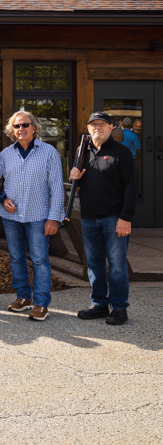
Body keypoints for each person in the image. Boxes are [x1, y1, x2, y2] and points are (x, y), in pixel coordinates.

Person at [0, 110, 64, 321]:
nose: (21, 129)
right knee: (16, 258)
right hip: (11, 217)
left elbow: (57, 187)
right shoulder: (5, 155)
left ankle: (40, 303)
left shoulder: (49, 153)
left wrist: (54, 217)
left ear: (34, 127)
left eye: (25, 125)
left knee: (40, 260)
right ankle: (23, 297)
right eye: (16, 126)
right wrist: (3, 199)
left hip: (39, 216)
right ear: (12, 131)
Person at [71, 111, 138, 325]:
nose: (97, 127)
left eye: (102, 124)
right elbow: (79, 183)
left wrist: (125, 218)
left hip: (114, 217)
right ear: (88, 128)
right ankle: (99, 304)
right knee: (94, 264)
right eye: (93, 124)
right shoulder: (83, 150)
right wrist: (73, 176)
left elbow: (131, 186)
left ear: (111, 128)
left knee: (117, 264)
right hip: (89, 217)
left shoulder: (122, 152)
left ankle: (119, 307)